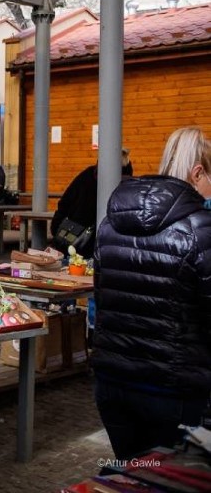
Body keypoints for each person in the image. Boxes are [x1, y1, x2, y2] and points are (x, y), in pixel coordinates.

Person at [93, 127, 211, 461]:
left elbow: (102, 299)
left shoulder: (110, 222)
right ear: (198, 172)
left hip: (112, 383)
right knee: (173, 476)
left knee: (131, 475)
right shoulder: (201, 228)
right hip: (174, 390)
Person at [51, 149, 133, 259]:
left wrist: (56, 228)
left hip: (73, 239)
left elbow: (64, 202)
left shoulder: (86, 176)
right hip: (109, 246)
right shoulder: (127, 184)